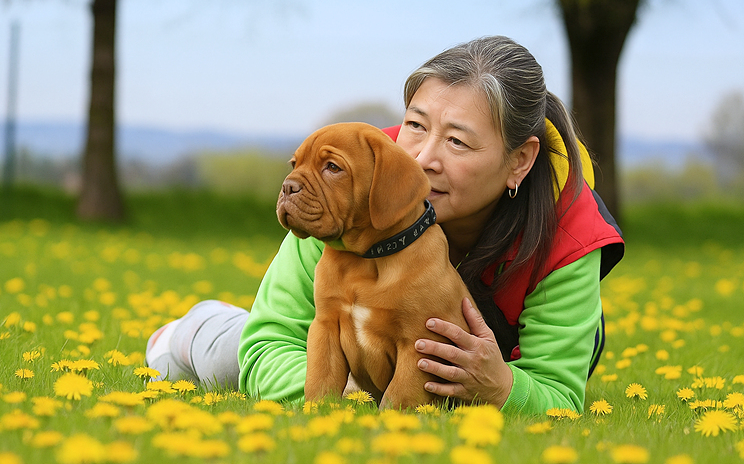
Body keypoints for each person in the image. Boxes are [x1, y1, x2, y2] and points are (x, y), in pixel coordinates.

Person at [146, 35, 624, 414]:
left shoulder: (569, 233)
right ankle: (190, 332)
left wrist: (502, 388)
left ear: (519, 161)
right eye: (416, 125)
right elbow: (269, 343)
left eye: (457, 142)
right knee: (232, 355)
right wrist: (357, 396)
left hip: (483, 366)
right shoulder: (352, 182)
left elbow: (558, 398)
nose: (421, 158)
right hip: (347, 362)